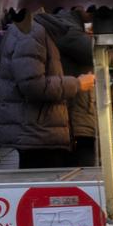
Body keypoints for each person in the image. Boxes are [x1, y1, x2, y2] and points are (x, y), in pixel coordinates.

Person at [0, 12, 94, 169]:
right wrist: (78, 84)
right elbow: (32, 85)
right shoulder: (31, 31)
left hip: (42, 130)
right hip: (37, 132)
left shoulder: (43, 28)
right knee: (43, 188)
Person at [35, 9, 96, 166]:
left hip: (65, 120)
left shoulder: (62, 25)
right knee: (81, 176)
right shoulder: (65, 27)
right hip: (71, 120)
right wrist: (78, 84)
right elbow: (93, 52)